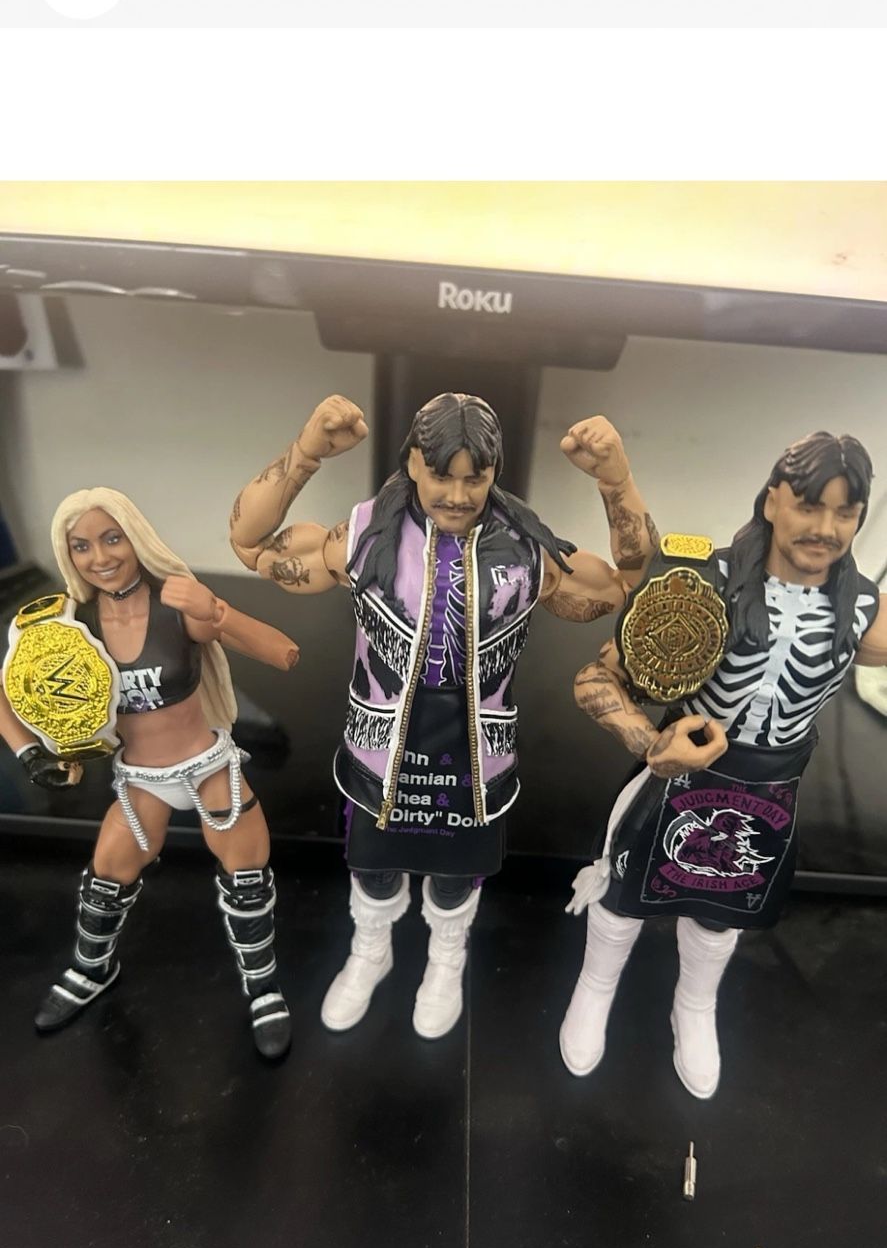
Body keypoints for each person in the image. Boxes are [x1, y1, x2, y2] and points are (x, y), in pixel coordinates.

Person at [228, 391, 657, 1039]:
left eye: (474, 478)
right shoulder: (363, 536)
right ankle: (370, 949)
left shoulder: (529, 552)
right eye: (440, 475)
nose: (457, 495)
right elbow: (251, 544)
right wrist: (306, 453)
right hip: (378, 743)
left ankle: (445, 957)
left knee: (458, 871)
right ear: (412, 463)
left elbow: (627, 580)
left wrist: (615, 479)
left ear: (494, 473)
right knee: (371, 861)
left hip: (477, 749)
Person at [559, 430, 887, 1098]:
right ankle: (594, 986)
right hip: (678, 775)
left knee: (721, 911)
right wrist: (651, 745)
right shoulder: (705, 583)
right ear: (771, 501)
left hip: (771, 788)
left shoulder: (863, 613)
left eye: (845, 513)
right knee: (621, 894)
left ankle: (695, 1005)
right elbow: (597, 675)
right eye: (808, 505)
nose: (824, 529)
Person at [0, 487, 299, 1058]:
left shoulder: (176, 604)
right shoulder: (66, 623)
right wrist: (30, 754)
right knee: (105, 878)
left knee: (248, 879)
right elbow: (6, 692)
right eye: (82, 545)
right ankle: (93, 969)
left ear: (135, 537)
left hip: (208, 767)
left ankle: (263, 988)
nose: (100, 556)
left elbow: (284, 653)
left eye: (112, 538)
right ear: (68, 553)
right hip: (139, 779)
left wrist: (215, 610)